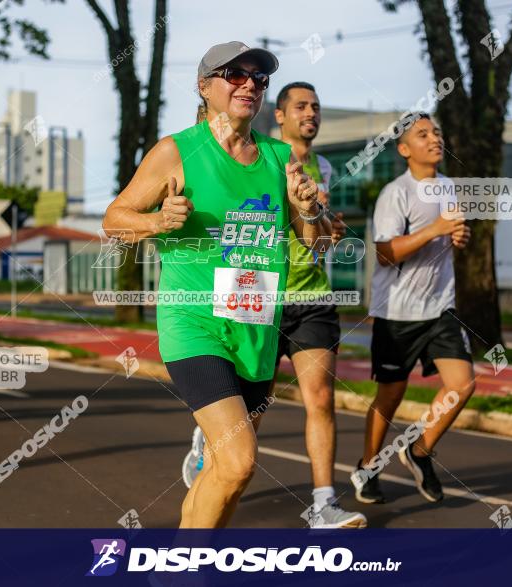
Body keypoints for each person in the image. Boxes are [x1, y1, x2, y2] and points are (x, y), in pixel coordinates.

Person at [102, 41, 327, 528]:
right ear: (205, 87)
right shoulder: (176, 151)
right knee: (240, 458)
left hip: (256, 328)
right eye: (235, 74)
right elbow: (114, 219)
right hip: (194, 321)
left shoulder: (281, 157)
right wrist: (158, 222)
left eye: (259, 78)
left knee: (229, 473)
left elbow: (314, 246)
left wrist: (308, 208)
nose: (249, 83)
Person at [181, 82, 366, 529]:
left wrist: (324, 225)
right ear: (279, 116)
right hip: (261, 295)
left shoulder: (321, 166)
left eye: (317, 107)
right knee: (248, 430)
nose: (312, 114)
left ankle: (323, 504)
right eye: (301, 106)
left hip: (313, 298)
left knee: (320, 399)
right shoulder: (263, 158)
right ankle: (210, 464)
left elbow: (316, 240)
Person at [351, 113, 475, 504]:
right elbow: (386, 253)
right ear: (405, 149)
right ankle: (367, 467)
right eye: (423, 134)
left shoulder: (450, 187)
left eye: (437, 131)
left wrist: (458, 235)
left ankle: (419, 451)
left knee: (463, 384)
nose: (434, 138)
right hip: (397, 312)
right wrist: (435, 230)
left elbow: (447, 232)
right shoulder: (396, 193)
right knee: (391, 396)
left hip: (441, 306)